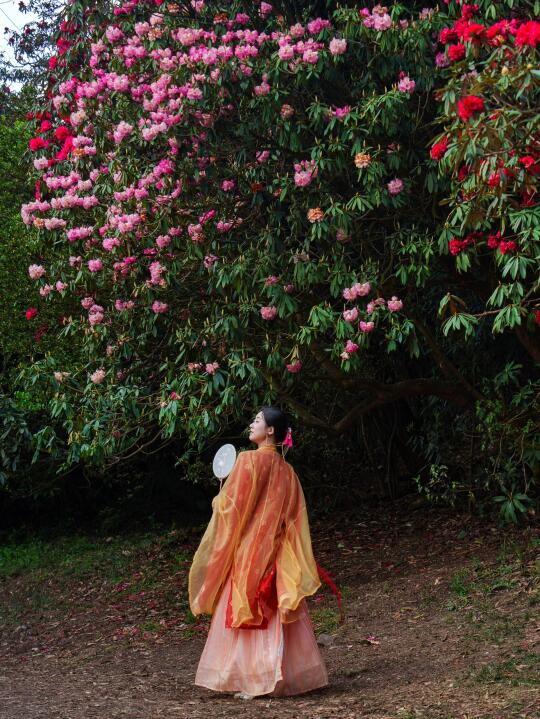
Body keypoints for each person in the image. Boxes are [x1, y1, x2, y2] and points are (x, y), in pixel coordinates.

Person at [188, 406, 329, 699]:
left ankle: (250, 677)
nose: (251, 424)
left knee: (247, 609)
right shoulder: (288, 472)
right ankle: (276, 675)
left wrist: (219, 501)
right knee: (273, 610)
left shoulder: (248, 461)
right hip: (277, 551)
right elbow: (293, 517)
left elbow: (234, 509)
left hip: (249, 551)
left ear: (271, 431)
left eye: (257, 420)